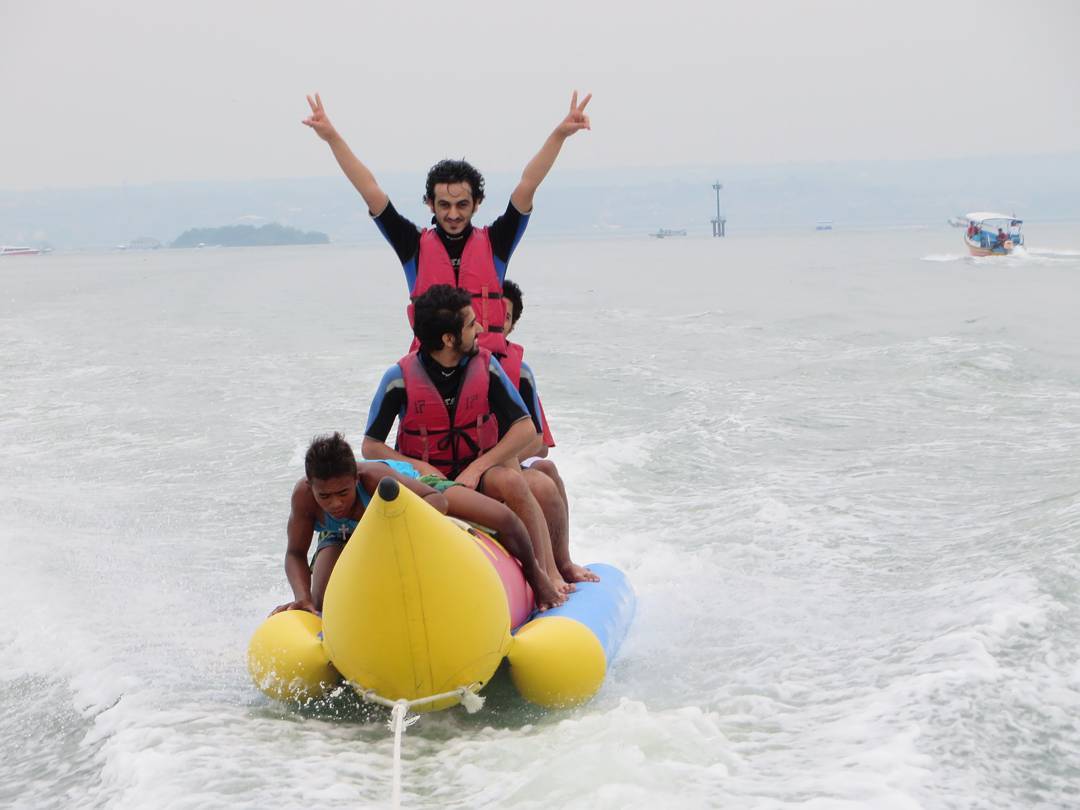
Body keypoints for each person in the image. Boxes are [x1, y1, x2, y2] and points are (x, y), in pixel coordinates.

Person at [302, 90, 592, 353]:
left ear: (477, 204)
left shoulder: (496, 244)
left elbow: (528, 185)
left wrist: (560, 135)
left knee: (523, 384)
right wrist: (332, 138)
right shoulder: (412, 245)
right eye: (444, 205)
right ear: (430, 203)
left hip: (485, 371)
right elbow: (370, 190)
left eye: (462, 204)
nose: (453, 214)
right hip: (429, 369)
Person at [362, 284, 571, 602]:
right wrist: (420, 466)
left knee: (513, 481)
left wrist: (477, 468)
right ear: (448, 339)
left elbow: (526, 429)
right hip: (426, 483)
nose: (481, 329)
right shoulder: (398, 378)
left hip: (478, 476)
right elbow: (371, 446)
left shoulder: (486, 366)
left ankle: (545, 576)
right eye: (471, 324)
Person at [272, 432, 449, 615]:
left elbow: (437, 500)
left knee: (467, 506)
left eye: (343, 493)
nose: (336, 504)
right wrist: (302, 597)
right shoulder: (304, 495)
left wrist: (392, 536)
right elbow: (295, 553)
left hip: (395, 516)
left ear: (356, 480)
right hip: (339, 532)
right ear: (311, 486)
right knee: (321, 602)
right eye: (324, 496)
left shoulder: (374, 479)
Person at [501, 279, 599, 585]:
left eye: (505, 317)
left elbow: (540, 443)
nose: (496, 322)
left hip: (504, 465)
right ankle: (547, 571)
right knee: (540, 483)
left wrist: (502, 459)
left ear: (512, 326)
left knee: (546, 470)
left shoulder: (518, 372)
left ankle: (563, 561)